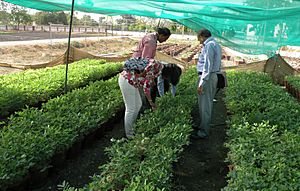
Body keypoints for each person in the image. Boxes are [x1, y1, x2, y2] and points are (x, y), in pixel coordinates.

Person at [119, 28, 171, 139]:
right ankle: (129, 134)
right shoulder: (152, 65)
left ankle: (131, 129)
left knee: (137, 105)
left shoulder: (157, 65)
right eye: (165, 38)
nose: (165, 41)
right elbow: (147, 88)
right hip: (128, 80)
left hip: (133, 78)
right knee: (131, 108)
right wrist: (152, 104)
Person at [133, 27, 171, 113]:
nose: (165, 41)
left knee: (146, 87)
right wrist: (146, 75)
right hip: (139, 68)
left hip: (139, 66)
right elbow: (146, 60)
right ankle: (145, 109)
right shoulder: (151, 41)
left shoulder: (151, 37)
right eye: (165, 38)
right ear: (161, 35)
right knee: (144, 90)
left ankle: (145, 107)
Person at [192, 28, 222, 139]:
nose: (199, 41)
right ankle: (202, 126)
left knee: (205, 106)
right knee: (204, 104)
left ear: (201, 36)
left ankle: (203, 132)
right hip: (210, 77)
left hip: (207, 78)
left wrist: (202, 83)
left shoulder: (209, 45)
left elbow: (207, 66)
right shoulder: (215, 44)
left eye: (198, 39)